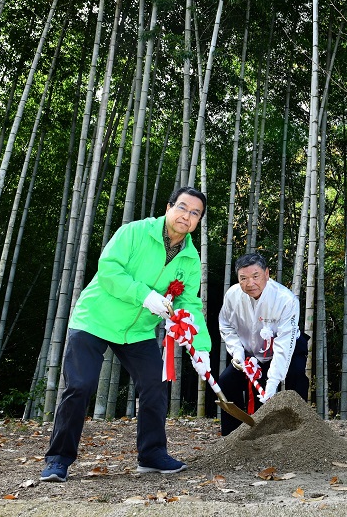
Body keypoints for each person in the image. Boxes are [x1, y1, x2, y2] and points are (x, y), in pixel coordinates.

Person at [40, 187, 211, 482]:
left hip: (138, 330)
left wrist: (202, 346)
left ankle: (152, 454)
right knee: (80, 386)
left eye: (195, 213)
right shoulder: (134, 232)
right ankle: (58, 459)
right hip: (96, 318)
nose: (187, 215)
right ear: (169, 207)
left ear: (198, 221)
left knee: (156, 384)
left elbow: (189, 304)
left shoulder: (190, 259)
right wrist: (145, 296)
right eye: (183, 207)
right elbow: (108, 270)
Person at [218, 252, 309, 436]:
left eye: (255, 276)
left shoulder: (285, 299)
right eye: (243, 278)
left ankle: (300, 434)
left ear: (267, 274)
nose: (249, 283)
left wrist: (272, 383)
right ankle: (233, 436)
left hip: (286, 348)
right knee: (226, 381)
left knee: (296, 378)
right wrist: (237, 353)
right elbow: (226, 326)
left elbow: (284, 345)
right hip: (249, 352)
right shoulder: (232, 296)